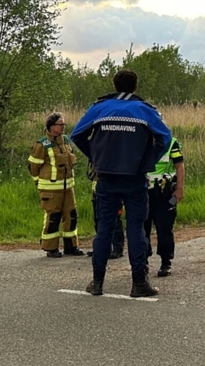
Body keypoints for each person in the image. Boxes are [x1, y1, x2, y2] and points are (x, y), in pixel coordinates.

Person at [70, 70, 171, 298]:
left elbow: (76, 135)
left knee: (104, 228)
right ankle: (138, 283)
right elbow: (165, 138)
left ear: (114, 85)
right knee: (136, 228)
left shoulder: (99, 108)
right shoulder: (144, 110)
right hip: (134, 177)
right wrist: (147, 161)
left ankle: (97, 282)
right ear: (136, 86)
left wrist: (96, 156)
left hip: (105, 177)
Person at [28, 112, 83, 257]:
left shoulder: (65, 141)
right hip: (50, 190)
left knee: (71, 216)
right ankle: (51, 248)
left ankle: (71, 246)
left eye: (64, 124)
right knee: (53, 218)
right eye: (60, 124)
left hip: (68, 188)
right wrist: (38, 182)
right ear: (51, 126)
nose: (63, 127)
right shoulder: (42, 144)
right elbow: (33, 166)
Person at [145, 137, 184, 277]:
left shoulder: (171, 142)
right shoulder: (139, 138)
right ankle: (142, 262)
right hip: (143, 191)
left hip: (164, 192)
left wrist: (179, 189)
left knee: (164, 228)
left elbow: (179, 166)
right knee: (141, 228)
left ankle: (166, 262)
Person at [85, 161, 125, 259]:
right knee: (98, 219)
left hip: (113, 186)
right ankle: (101, 248)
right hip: (98, 188)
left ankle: (117, 248)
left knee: (115, 219)